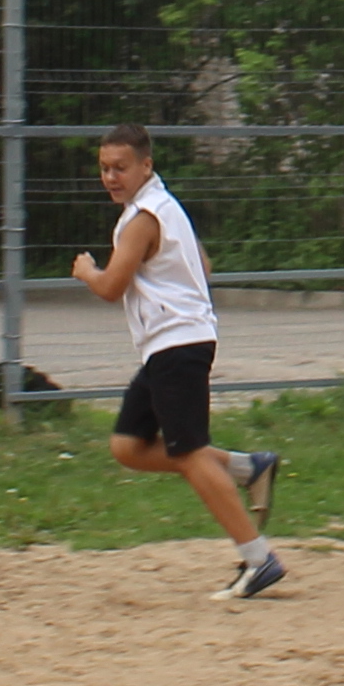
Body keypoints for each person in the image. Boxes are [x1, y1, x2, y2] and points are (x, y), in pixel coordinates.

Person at [74, 121, 286, 602]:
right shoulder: (165, 207)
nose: (111, 177)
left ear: (146, 166)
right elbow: (203, 267)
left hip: (177, 346)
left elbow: (110, 288)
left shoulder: (144, 217)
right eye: (105, 168)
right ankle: (247, 467)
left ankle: (259, 559)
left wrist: (88, 270)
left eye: (121, 168)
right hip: (169, 346)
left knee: (189, 452)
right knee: (128, 446)